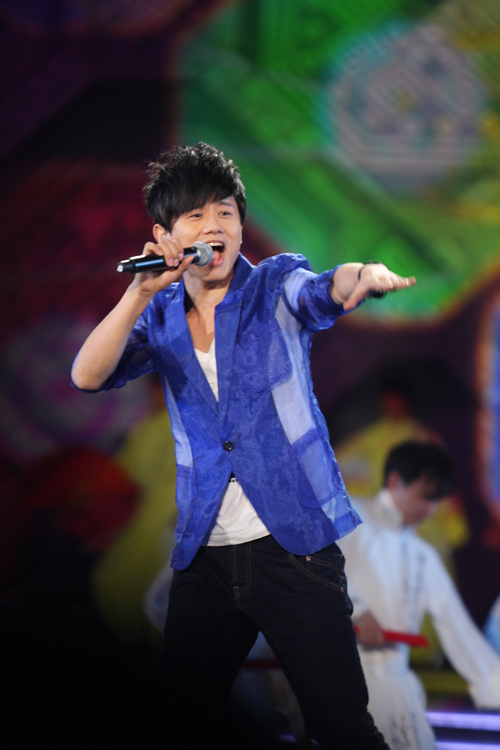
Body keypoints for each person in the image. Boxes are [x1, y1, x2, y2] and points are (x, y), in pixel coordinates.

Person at [71, 142, 415, 749]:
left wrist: (363, 275)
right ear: (165, 236)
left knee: (341, 727)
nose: (215, 227)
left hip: (294, 548)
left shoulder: (274, 284)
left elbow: (323, 288)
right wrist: (139, 293)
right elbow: (87, 375)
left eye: (225, 213)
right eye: (196, 216)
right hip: (205, 554)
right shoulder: (159, 315)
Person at [338, 440, 500, 750]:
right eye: (426, 496)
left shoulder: (423, 554)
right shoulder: (351, 516)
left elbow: (459, 631)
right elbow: (315, 569)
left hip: (398, 688)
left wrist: (494, 684)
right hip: (343, 680)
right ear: (395, 481)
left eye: (438, 500)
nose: (432, 509)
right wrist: (357, 609)